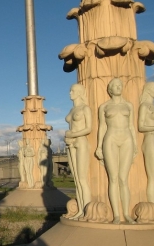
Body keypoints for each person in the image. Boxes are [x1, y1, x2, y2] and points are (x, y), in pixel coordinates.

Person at [96, 78, 137, 224]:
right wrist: (99, 146)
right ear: (110, 89)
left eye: (120, 85)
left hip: (127, 139)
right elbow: (102, 127)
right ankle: (116, 215)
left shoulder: (129, 105)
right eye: (115, 85)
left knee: (123, 179)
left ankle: (126, 214)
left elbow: (132, 126)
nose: (118, 87)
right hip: (111, 139)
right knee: (113, 178)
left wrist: (136, 145)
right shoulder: (104, 107)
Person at [65, 83, 92, 218]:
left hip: (81, 142)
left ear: (80, 93)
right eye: (70, 90)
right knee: (76, 179)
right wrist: (69, 138)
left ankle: (87, 210)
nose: (70, 93)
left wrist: (73, 135)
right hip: (71, 143)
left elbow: (89, 128)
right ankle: (81, 209)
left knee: (82, 178)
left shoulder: (85, 108)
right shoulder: (72, 110)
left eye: (73, 91)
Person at [138, 82, 154, 206]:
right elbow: (141, 126)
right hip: (150, 139)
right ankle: (152, 208)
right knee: (152, 179)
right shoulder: (144, 106)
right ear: (148, 90)